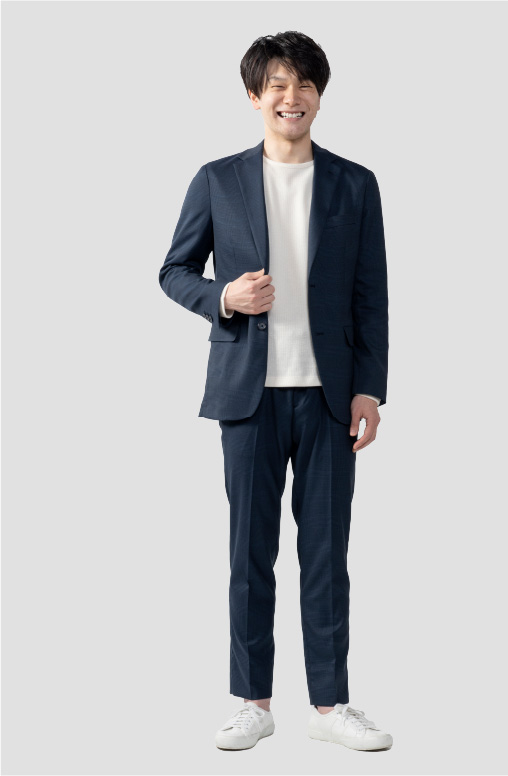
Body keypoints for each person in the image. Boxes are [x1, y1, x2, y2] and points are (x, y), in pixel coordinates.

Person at [159, 30, 392, 752]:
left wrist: (370, 390)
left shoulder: (355, 184)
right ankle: (252, 702)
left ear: (319, 96)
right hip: (247, 397)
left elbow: (371, 297)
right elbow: (173, 271)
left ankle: (330, 705)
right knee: (249, 553)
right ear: (254, 96)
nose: (292, 97)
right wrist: (223, 297)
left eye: (305, 85)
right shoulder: (217, 179)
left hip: (329, 399)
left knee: (326, 554)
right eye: (278, 85)